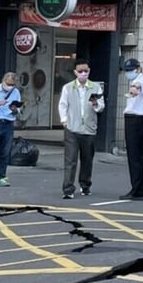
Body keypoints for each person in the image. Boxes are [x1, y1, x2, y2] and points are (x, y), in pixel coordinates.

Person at [57, 58, 105, 200]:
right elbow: (63, 105)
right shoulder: (68, 87)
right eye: (80, 71)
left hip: (89, 129)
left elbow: (101, 107)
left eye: (86, 71)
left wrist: (96, 104)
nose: (83, 73)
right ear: (75, 72)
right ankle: (68, 189)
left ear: (89, 71)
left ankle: (85, 185)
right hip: (72, 128)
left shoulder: (95, 87)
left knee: (87, 159)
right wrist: (64, 121)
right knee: (70, 160)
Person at [120, 58, 143, 201]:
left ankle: (138, 191)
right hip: (136, 121)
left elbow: (137, 87)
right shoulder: (138, 80)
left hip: (137, 121)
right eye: (127, 70)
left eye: (131, 70)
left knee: (135, 157)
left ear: (138, 69)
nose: (128, 73)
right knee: (136, 157)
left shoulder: (142, 80)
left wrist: (133, 90)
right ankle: (138, 189)